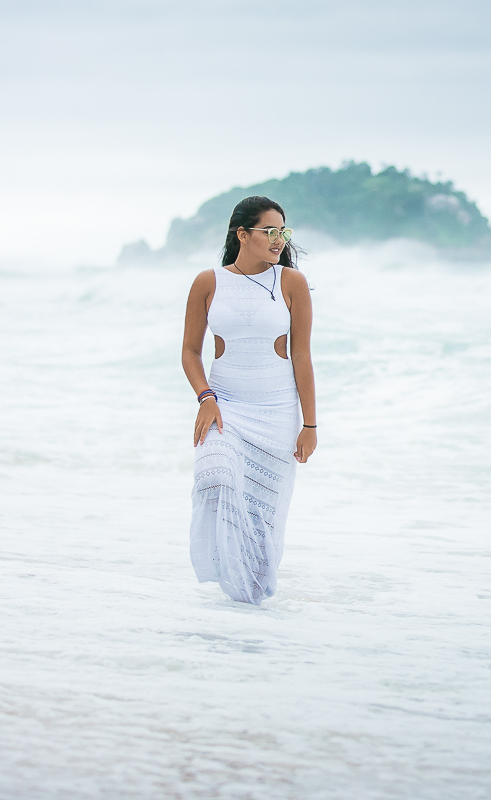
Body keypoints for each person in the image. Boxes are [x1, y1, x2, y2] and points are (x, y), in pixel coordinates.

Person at [180, 196, 316, 604]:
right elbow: (190, 351)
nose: (278, 239)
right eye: (269, 231)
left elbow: (302, 355)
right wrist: (206, 397)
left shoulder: (290, 282)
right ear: (243, 234)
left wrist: (310, 425)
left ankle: (249, 610)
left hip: (276, 413)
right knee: (215, 477)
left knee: (260, 516)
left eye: (282, 231)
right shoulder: (209, 282)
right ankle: (229, 579)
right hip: (226, 408)